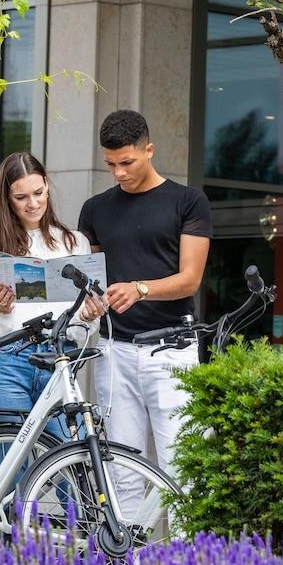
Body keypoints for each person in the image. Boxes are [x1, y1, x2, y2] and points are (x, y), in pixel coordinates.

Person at [78, 109, 212, 514]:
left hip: (171, 351)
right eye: (111, 164)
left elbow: (190, 279)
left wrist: (140, 289)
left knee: (183, 467)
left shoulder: (188, 201)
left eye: (127, 162)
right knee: (121, 470)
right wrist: (91, 301)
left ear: (149, 150)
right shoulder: (95, 209)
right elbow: (91, 280)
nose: (118, 172)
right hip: (114, 352)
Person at [0, 151, 104, 439]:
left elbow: (85, 324)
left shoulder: (74, 241)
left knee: (67, 463)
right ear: (7, 199)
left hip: (58, 358)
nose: (33, 203)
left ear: (46, 186)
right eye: (21, 197)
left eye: (38, 192)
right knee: (10, 464)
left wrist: (89, 315)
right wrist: (0, 309)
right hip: (9, 360)